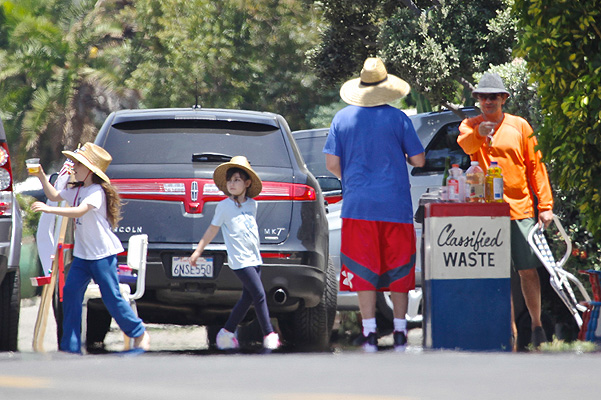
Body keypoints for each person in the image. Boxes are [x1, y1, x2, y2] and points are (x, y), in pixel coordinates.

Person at [323, 57, 426, 352]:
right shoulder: (399, 119)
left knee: (363, 267)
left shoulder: (342, 119)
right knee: (400, 267)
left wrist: (353, 178)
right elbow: (418, 160)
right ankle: (400, 330)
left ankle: (369, 331)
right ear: (385, 87)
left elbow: (331, 163)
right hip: (395, 206)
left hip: (358, 207)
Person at [457, 72, 554, 349]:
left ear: (503, 99)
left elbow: (536, 166)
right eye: (483, 96)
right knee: (498, 276)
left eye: (493, 96)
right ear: (477, 100)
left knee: (528, 272)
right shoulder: (470, 125)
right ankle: (509, 334)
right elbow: (465, 144)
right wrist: (480, 132)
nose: (488, 101)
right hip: (487, 214)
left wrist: (545, 206)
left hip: (521, 210)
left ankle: (536, 327)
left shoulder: (519, 126)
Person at [30, 142, 150, 353]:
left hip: (102, 255)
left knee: (111, 296)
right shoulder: (78, 190)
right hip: (83, 256)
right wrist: (41, 176)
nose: (74, 167)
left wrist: (49, 210)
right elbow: (54, 196)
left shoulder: (96, 192)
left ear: (90, 170)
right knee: (71, 293)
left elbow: (79, 212)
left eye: (78, 164)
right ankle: (71, 345)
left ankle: (138, 331)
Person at [189, 156, 280, 351]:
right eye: (230, 180)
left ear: (247, 183)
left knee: (247, 298)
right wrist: (198, 251)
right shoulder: (224, 206)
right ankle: (268, 333)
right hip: (240, 260)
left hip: (255, 258)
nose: (232, 183)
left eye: (237, 179)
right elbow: (212, 229)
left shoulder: (252, 204)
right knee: (259, 294)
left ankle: (227, 332)